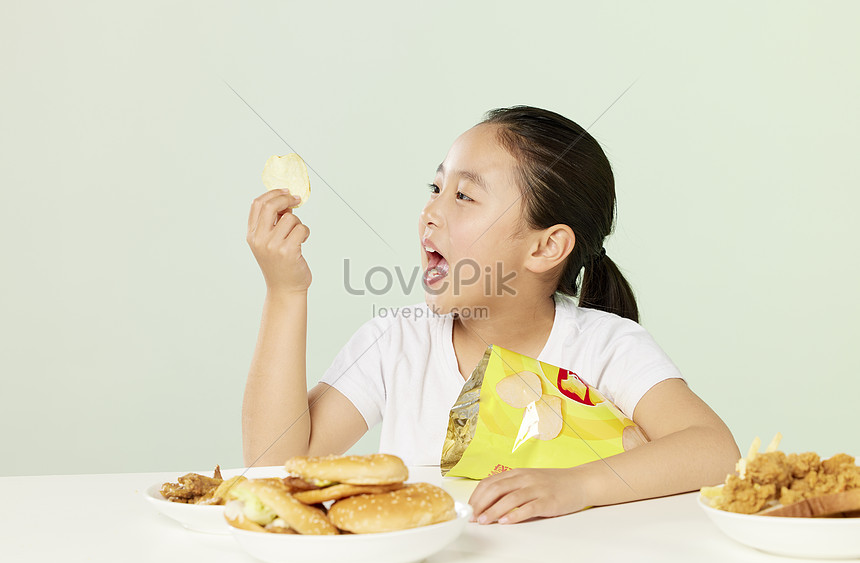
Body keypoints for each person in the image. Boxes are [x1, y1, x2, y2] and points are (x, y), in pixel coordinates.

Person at [242, 105, 740, 525]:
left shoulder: (606, 347)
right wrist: (286, 293)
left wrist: (575, 486)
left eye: (463, 195)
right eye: (435, 187)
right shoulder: (397, 341)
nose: (431, 211)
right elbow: (272, 466)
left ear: (546, 247)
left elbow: (715, 451)